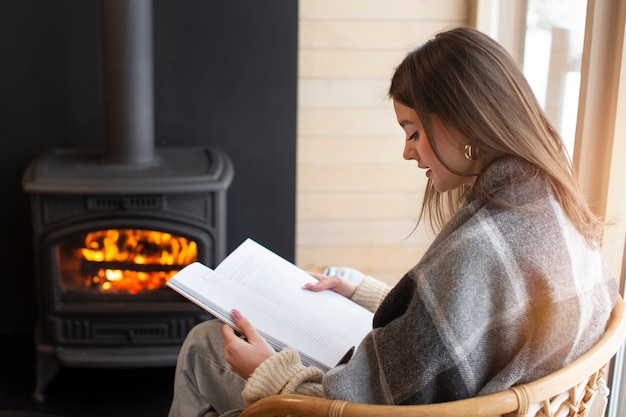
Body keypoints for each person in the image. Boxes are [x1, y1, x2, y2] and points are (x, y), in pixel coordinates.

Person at [167, 26, 618, 417]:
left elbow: (359, 408)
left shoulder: (482, 249)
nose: (408, 152)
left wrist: (268, 372)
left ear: (463, 122)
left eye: (414, 132)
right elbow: (469, 328)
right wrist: (361, 294)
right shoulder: (552, 203)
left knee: (205, 345)